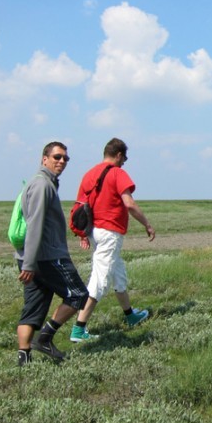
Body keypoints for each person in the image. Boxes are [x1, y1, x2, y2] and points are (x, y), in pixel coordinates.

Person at [70, 138, 156, 342]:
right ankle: (78, 329)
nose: (124, 162)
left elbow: (81, 206)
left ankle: (131, 316)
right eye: (124, 158)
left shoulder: (89, 174)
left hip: (95, 231)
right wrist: (147, 224)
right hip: (110, 233)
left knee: (118, 275)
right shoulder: (117, 173)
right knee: (100, 280)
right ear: (118, 155)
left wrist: (83, 234)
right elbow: (129, 204)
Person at [15, 142, 89, 365]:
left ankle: (23, 360)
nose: (62, 161)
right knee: (78, 294)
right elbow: (35, 224)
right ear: (44, 159)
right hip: (47, 257)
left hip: (34, 257)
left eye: (66, 158)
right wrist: (29, 264)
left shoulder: (44, 183)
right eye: (57, 157)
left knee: (33, 308)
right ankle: (45, 338)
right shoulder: (42, 185)